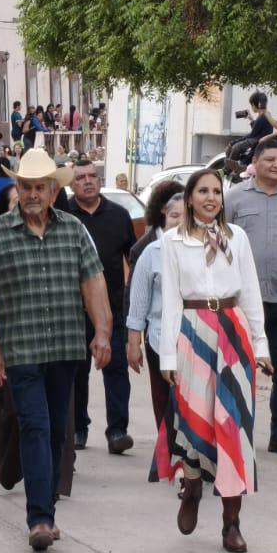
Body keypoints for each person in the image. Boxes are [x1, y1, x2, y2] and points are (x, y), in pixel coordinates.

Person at [0, 149, 108, 551]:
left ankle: (46, 505)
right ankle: (40, 518)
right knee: (34, 424)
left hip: (66, 346)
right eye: (26, 186)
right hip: (20, 348)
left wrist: (103, 331)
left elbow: (94, 283)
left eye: (40, 187)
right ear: (17, 189)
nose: (32, 194)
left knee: (55, 430)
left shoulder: (72, 230)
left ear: (53, 191)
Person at [158, 168, 270, 552]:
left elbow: (251, 292)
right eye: (203, 191)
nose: (211, 198)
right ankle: (191, 487)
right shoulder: (173, 242)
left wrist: (261, 345)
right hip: (192, 332)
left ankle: (231, 522)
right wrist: (168, 356)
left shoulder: (235, 237)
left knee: (233, 426)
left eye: (217, 192)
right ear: (189, 198)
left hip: (233, 331)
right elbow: (171, 299)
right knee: (195, 422)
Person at [224, 137, 277, 456]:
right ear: (256, 164)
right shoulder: (234, 199)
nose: (276, 165)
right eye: (269, 159)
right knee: (239, 367)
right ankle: (237, 431)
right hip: (243, 303)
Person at [62, 160, 136, 455]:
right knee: (77, 373)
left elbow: (132, 259)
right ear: (71, 184)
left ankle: (117, 430)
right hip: (74, 310)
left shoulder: (119, 215)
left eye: (93, 176)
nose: (88, 182)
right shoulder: (64, 215)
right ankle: (78, 428)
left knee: (116, 370)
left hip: (113, 308)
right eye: (80, 178)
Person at [126, 182, 185, 483]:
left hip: (196, 338)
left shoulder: (206, 247)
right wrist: (133, 340)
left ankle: (189, 456)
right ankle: (165, 456)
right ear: (163, 215)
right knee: (166, 399)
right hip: (160, 338)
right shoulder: (150, 251)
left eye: (185, 215)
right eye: (174, 215)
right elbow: (137, 302)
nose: (179, 221)